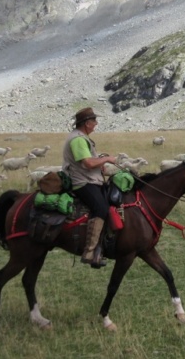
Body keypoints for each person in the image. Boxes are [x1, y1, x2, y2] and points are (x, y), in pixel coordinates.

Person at [62, 107, 116, 268]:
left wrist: (99, 167)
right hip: (82, 182)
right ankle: (90, 251)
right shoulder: (78, 139)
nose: (96, 124)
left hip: (89, 179)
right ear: (86, 123)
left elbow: (90, 162)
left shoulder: (81, 137)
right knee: (101, 208)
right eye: (94, 121)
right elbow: (87, 163)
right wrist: (106, 159)